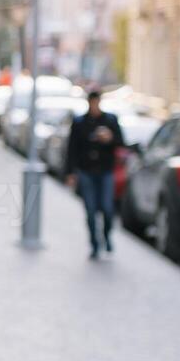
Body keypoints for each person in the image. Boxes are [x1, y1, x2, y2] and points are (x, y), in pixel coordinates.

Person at [65, 89, 125, 260]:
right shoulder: (79, 122)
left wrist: (109, 138)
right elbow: (72, 149)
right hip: (86, 172)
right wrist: (70, 172)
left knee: (107, 208)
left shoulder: (110, 120)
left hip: (105, 171)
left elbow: (121, 143)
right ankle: (94, 245)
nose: (94, 106)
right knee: (90, 211)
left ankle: (106, 236)